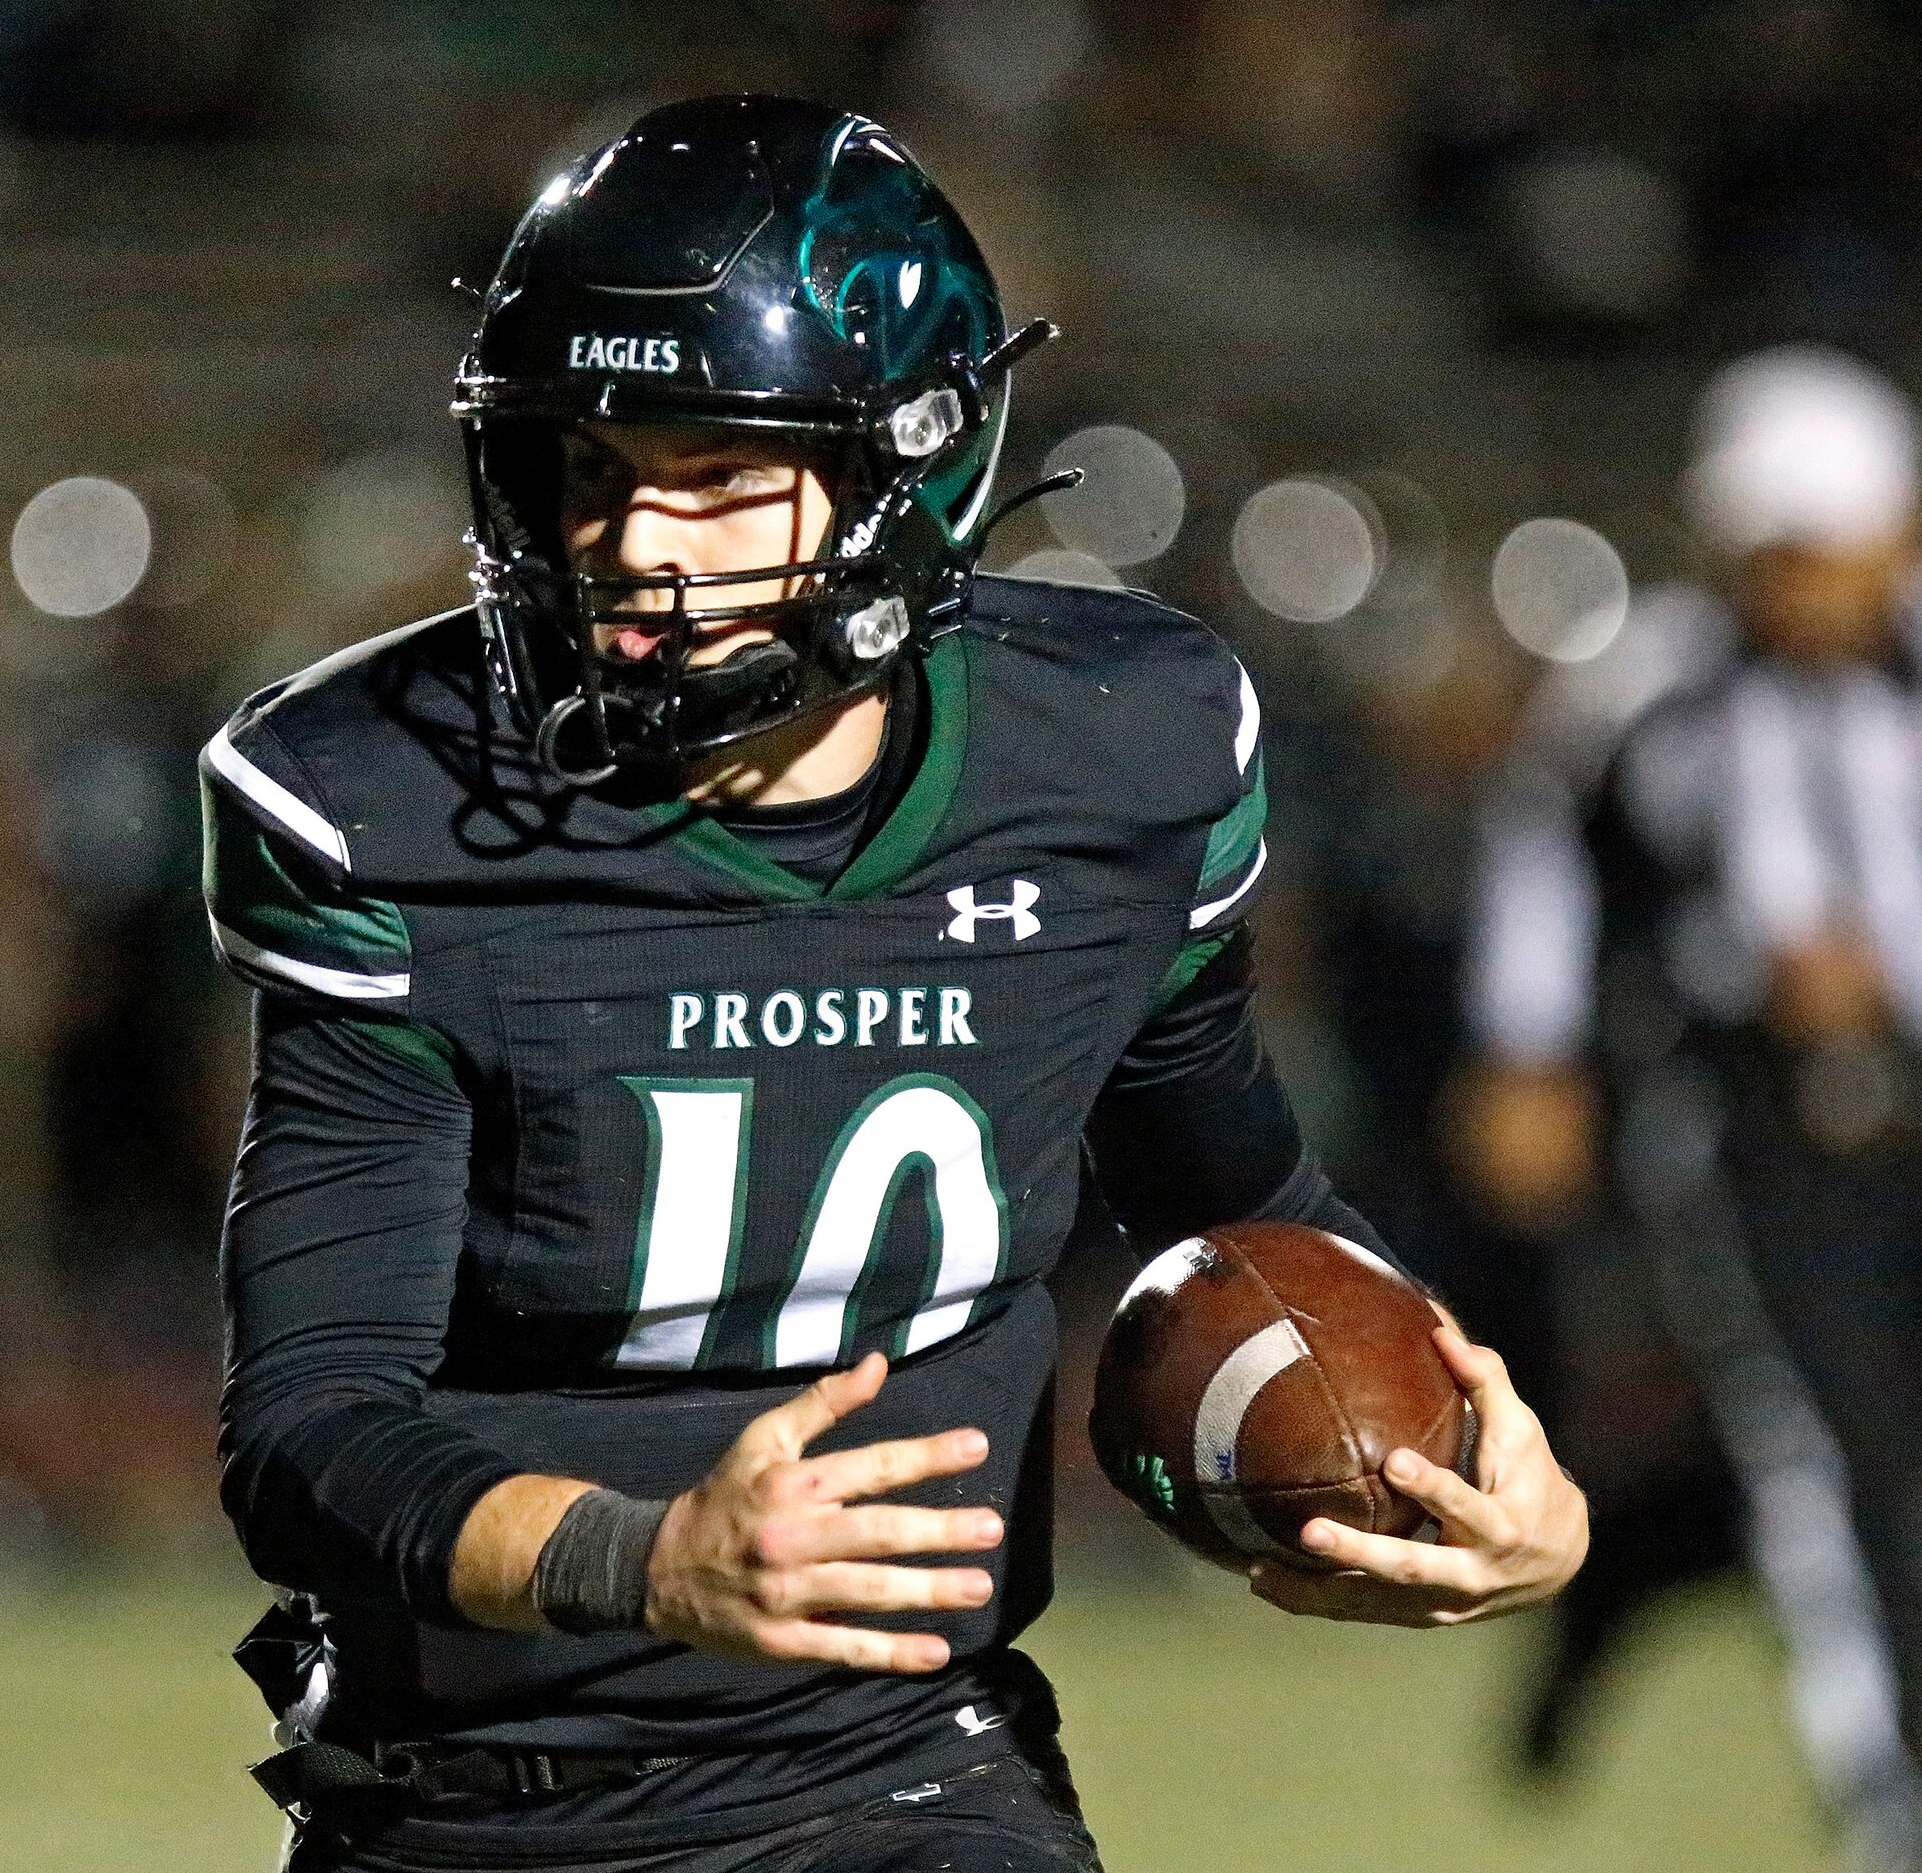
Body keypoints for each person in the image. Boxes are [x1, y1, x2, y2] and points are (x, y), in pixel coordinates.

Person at [203, 95, 1586, 1873]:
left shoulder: (1113, 758)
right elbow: (311, 1427)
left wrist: (1458, 1463)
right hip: (471, 1798)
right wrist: (646, 1555)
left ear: (901, 469)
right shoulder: (388, 801)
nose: (636, 547)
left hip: (901, 1777)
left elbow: (1237, 1202)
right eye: (592, 470)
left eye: (714, 473)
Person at [1464, 345, 1922, 1864]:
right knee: (1818, 1446)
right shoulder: (1651, 678)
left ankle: (1617, 1581)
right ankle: (1892, 1785)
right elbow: (1542, 855)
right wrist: (1524, 1052)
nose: (1799, 583)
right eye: (1770, 549)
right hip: (1746, 1126)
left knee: (1816, 1452)